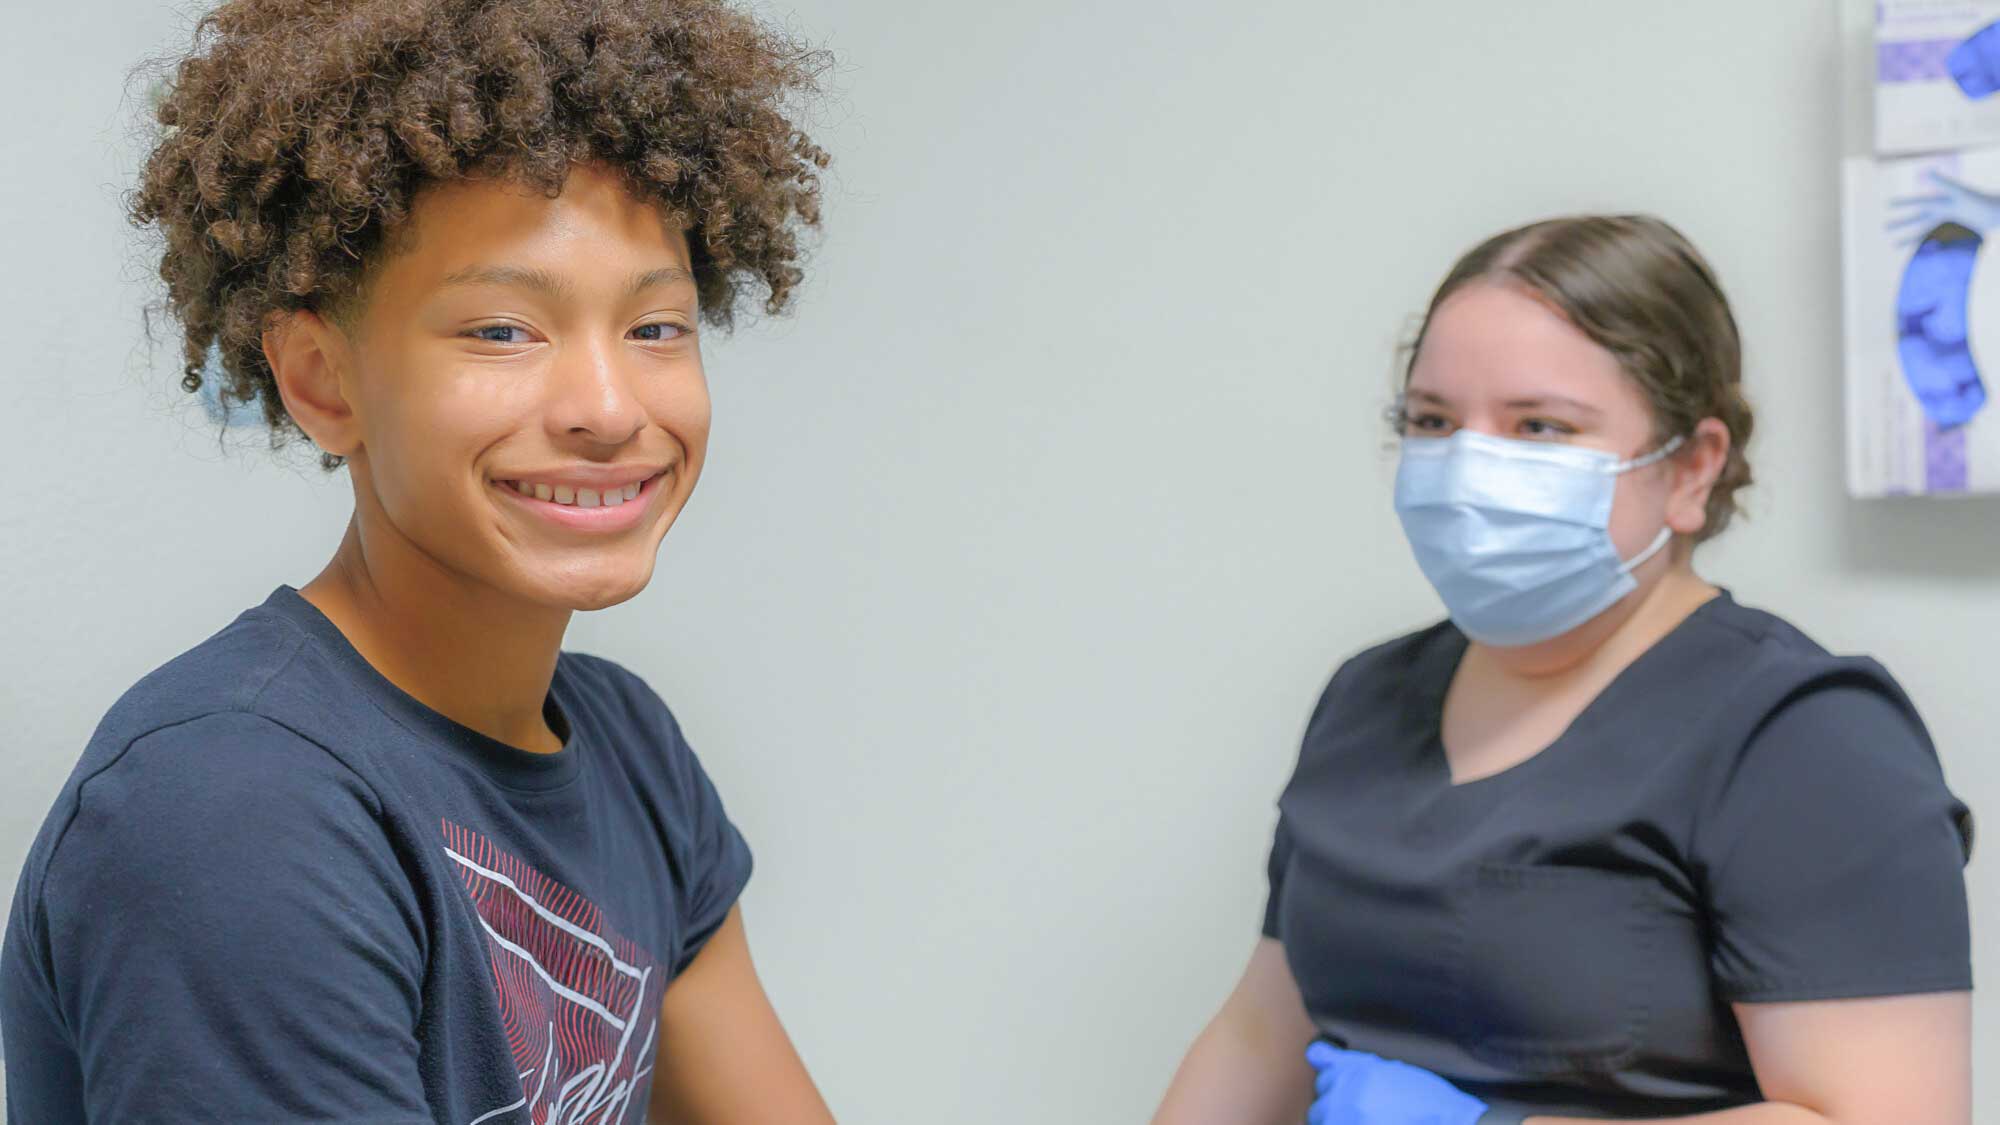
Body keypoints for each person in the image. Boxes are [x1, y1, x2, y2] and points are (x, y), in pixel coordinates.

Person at [0, 1, 838, 1121]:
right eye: (501, 330)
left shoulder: (631, 752)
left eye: (654, 328)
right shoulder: (233, 806)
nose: (606, 407)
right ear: (319, 382)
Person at [1150, 215, 1975, 1125]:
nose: (1469, 466)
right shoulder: (1366, 699)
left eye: (1540, 427)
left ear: (1693, 469)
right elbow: (1261, 1037)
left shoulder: (1800, 735)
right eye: (1431, 421)